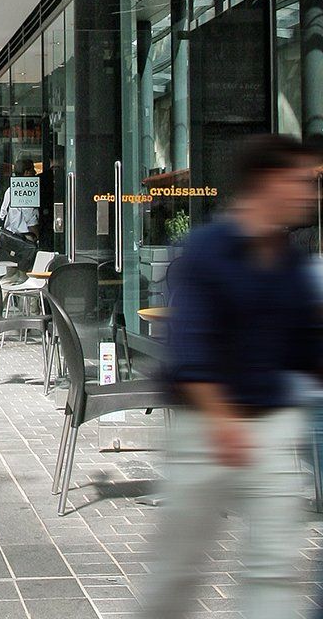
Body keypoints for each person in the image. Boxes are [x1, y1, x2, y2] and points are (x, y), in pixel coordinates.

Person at [140, 134, 323, 619]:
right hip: (207, 428)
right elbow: (191, 352)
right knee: (179, 567)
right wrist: (225, 424)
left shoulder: (291, 261)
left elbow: (306, 349)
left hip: (271, 425)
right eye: (303, 181)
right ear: (268, 182)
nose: (313, 192)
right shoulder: (205, 251)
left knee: (276, 565)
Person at [0, 157, 39, 241]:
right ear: (26, 172)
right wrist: (38, 238)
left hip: (10, 235)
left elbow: (2, 214)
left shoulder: (10, 190)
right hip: (26, 238)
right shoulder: (28, 193)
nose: (35, 172)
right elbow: (31, 220)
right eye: (33, 170)